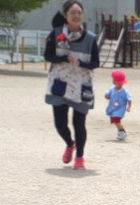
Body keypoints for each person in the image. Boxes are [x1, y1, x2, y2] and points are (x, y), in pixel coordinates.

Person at [44, 0, 99, 169]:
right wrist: (63, 59)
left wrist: (80, 63)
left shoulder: (90, 38)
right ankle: (70, 143)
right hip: (60, 83)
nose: (76, 15)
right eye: (72, 13)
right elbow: (48, 55)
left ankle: (80, 157)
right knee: (60, 123)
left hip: (82, 85)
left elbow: (96, 62)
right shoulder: (56, 33)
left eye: (79, 12)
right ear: (66, 16)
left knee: (78, 123)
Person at [105, 70, 132, 141]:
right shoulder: (111, 89)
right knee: (114, 120)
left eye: (121, 83)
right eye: (117, 82)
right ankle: (121, 131)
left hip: (120, 109)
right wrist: (107, 96)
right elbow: (107, 95)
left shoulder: (124, 92)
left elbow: (129, 99)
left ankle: (122, 132)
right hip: (113, 108)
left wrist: (129, 107)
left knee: (116, 120)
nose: (119, 84)